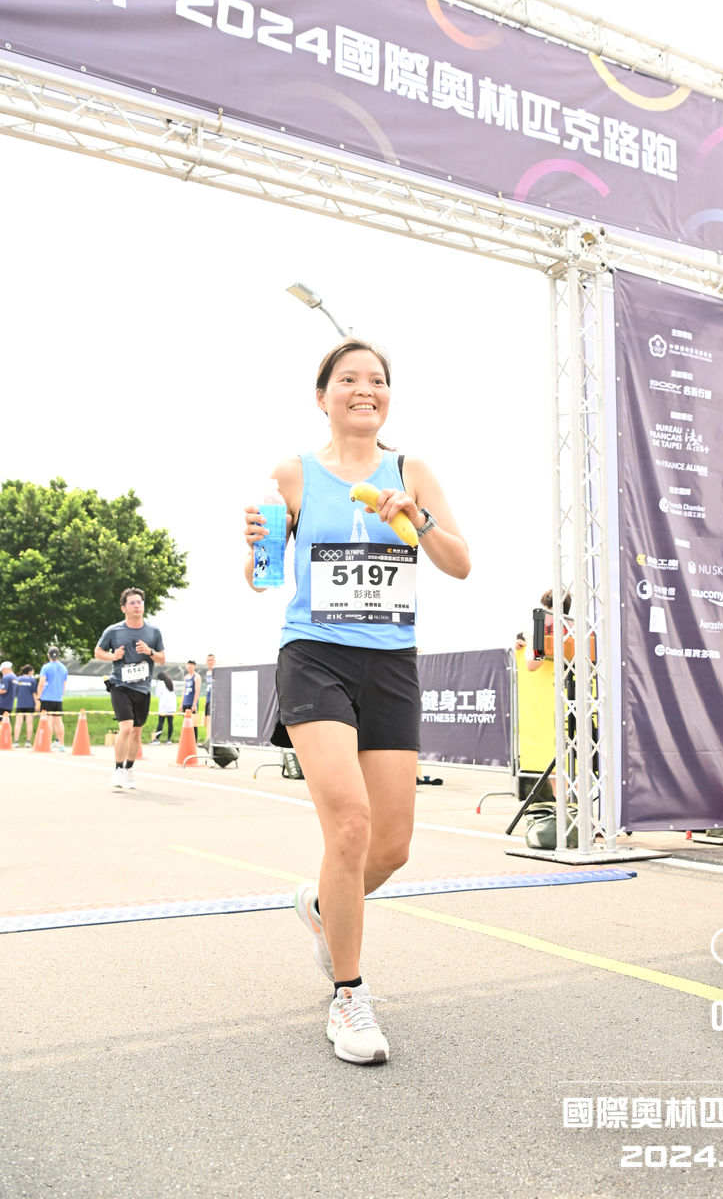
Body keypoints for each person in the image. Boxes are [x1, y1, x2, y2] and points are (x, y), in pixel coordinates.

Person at [243, 336, 469, 1065]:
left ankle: (320, 906)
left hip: (391, 662)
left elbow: (460, 563)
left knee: (391, 847)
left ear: (387, 397)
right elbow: (260, 574)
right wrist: (255, 544)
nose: (364, 389)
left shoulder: (411, 471)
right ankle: (349, 996)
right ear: (323, 397)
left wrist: (418, 519)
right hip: (314, 655)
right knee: (350, 824)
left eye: (377, 379)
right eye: (348, 379)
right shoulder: (293, 474)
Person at [94, 588, 164, 790]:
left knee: (136, 732)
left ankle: (129, 770)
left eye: (139, 602)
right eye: (132, 603)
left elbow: (162, 659)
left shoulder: (153, 631)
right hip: (120, 685)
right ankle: (118, 770)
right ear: (124, 608)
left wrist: (149, 651)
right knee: (125, 727)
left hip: (142, 688)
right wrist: (113, 656)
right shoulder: (114, 631)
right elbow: (98, 652)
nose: (137, 606)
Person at [36, 647, 68, 751]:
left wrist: (38, 697)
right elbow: (64, 685)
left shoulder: (46, 667)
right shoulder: (64, 668)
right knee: (58, 721)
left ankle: (48, 743)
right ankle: (61, 744)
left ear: (48, 655)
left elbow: (41, 683)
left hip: (46, 697)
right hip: (58, 698)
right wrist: (61, 695)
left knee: (48, 720)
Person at [13, 665, 38, 747]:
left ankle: (16, 742)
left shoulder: (18, 679)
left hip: (20, 704)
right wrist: (37, 704)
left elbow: (15, 693)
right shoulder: (32, 680)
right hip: (30, 705)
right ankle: (28, 742)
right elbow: (34, 694)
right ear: (30, 671)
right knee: (29, 723)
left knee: (18, 723)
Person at [150, 671, 177, 744]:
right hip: (172, 706)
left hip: (164, 706)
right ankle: (169, 739)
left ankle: (156, 739)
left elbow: (157, 694)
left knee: (160, 722)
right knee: (170, 723)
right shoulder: (170, 682)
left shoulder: (160, 683)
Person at [181, 660, 201, 727]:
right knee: (186, 724)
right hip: (185, 703)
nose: (189, 666)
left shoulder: (196, 676)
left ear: (194, 666)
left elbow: (197, 691)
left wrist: (194, 704)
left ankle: (194, 735)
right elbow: (184, 690)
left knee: (193, 725)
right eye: (188, 664)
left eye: (191, 664)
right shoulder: (186, 677)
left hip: (192, 703)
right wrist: (181, 703)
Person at [0, 662, 16, 730]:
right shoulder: (14, 677)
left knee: (1, 722)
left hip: (3, 703)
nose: (2, 673)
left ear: (5, 669)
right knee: (7, 721)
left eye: (2, 670)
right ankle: (8, 735)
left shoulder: (6, 677)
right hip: (10, 703)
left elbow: (3, 690)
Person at [203, 653, 216, 736]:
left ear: (214, 661)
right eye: (208, 660)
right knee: (207, 719)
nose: (209, 662)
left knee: (211, 719)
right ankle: (208, 737)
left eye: (211, 660)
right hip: (208, 699)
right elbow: (207, 687)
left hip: (214, 699)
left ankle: (211, 737)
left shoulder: (217, 671)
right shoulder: (207, 673)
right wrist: (205, 700)